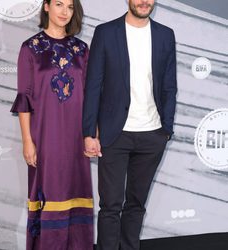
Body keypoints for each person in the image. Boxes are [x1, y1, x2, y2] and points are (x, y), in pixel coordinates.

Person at [83, 0, 177, 249]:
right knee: (110, 206)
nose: (144, 1)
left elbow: (169, 86)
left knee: (136, 205)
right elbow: (93, 86)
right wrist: (89, 132)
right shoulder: (106, 32)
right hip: (115, 134)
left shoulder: (165, 35)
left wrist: (165, 129)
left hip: (152, 135)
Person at [10, 0, 93, 249]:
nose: (64, 11)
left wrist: (92, 135)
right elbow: (24, 99)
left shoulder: (82, 50)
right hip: (45, 138)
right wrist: (27, 141)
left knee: (76, 192)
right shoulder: (31, 48)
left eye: (69, 6)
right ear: (46, 7)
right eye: (58, 4)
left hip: (77, 139)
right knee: (50, 193)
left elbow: (90, 97)